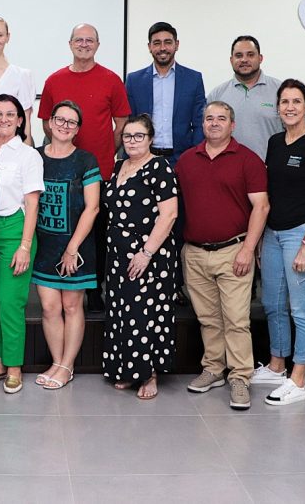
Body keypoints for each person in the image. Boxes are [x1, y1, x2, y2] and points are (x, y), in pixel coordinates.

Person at [176, 101, 269, 411]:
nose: (214, 123)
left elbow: (262, 207)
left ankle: (240, 376)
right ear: (202, 124)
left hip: (234, 252)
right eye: (208, 119)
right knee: (208, 319)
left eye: (221, 119)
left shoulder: (248, 160)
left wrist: (247, 249)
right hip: (195, 253)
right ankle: (214, 368)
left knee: (236, 319)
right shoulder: (187, 160)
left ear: (233, 125)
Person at [39, 23, 130, 312]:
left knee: (98, 232)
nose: (84, 44)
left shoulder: (112, 80)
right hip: (61, 172)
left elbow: (122, 123)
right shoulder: (54, 80)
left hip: (99, 171)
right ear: (70, 44)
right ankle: (55, 278)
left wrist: (107, 154)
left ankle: (94, 288)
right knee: (61, 228)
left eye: (90, 40)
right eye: (79, 39)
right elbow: (45, 121)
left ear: (97, 45)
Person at [255, 80, 305, 406]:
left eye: (296, 101)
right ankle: (277, 365)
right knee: (273, 305)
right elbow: (272, 194)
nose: (289, 107)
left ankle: (297, 379)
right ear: (277, 107)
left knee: (301, 310)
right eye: (284, 101)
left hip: (303, 234)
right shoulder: (275, 142)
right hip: (273, 235)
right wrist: (261, 239)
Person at [101, 115, 178, 401]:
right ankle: (127, 369)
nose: (132, 141)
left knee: (145, 313)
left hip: (149, 254)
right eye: (127, 136)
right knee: (122, 311)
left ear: (150, 139)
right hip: (118, 254)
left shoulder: (159, 167)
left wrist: (146, 253)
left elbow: (169, 214)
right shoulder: (119, 166)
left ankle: (149, 374)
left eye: (139, 136)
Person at [32, 101, 101, 390]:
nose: (64, 125)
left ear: (77, 129)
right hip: (44, 247)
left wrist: (72, 248)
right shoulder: (34, 157)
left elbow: (93, 208)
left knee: (72, 306)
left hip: (76, 248)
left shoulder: (86, 160)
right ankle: (57, 362)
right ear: (49, 122)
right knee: (49, 308)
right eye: (60, 119)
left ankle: (67, 365)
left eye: (71, 122)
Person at [0, 94, 44, 394]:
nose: (3, 119)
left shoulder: (28, 155)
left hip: (14, 230)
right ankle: (1, 362)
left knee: (9, 303)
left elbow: (32, 205)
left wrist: (25, 246)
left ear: (21, 120)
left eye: (10, 114)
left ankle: (16, 367)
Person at [125, 21, 205, 164]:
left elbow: (199, 123)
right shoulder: (134, 80)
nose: (163, 48)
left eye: (167, 42)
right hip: (143, 158)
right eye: (156, 43)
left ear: (177, 45)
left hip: (182, 160)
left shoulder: (194, 79)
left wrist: (195, 156)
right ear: (149, 47)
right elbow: (129, 122)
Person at [206, 35, 282, 161]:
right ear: (231, 60)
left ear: (260, 58)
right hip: (227, 170)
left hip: (270, 170)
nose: (244, 60)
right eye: (239, 55)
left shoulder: (280, 91)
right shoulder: (217, 95)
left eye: (250, 55)